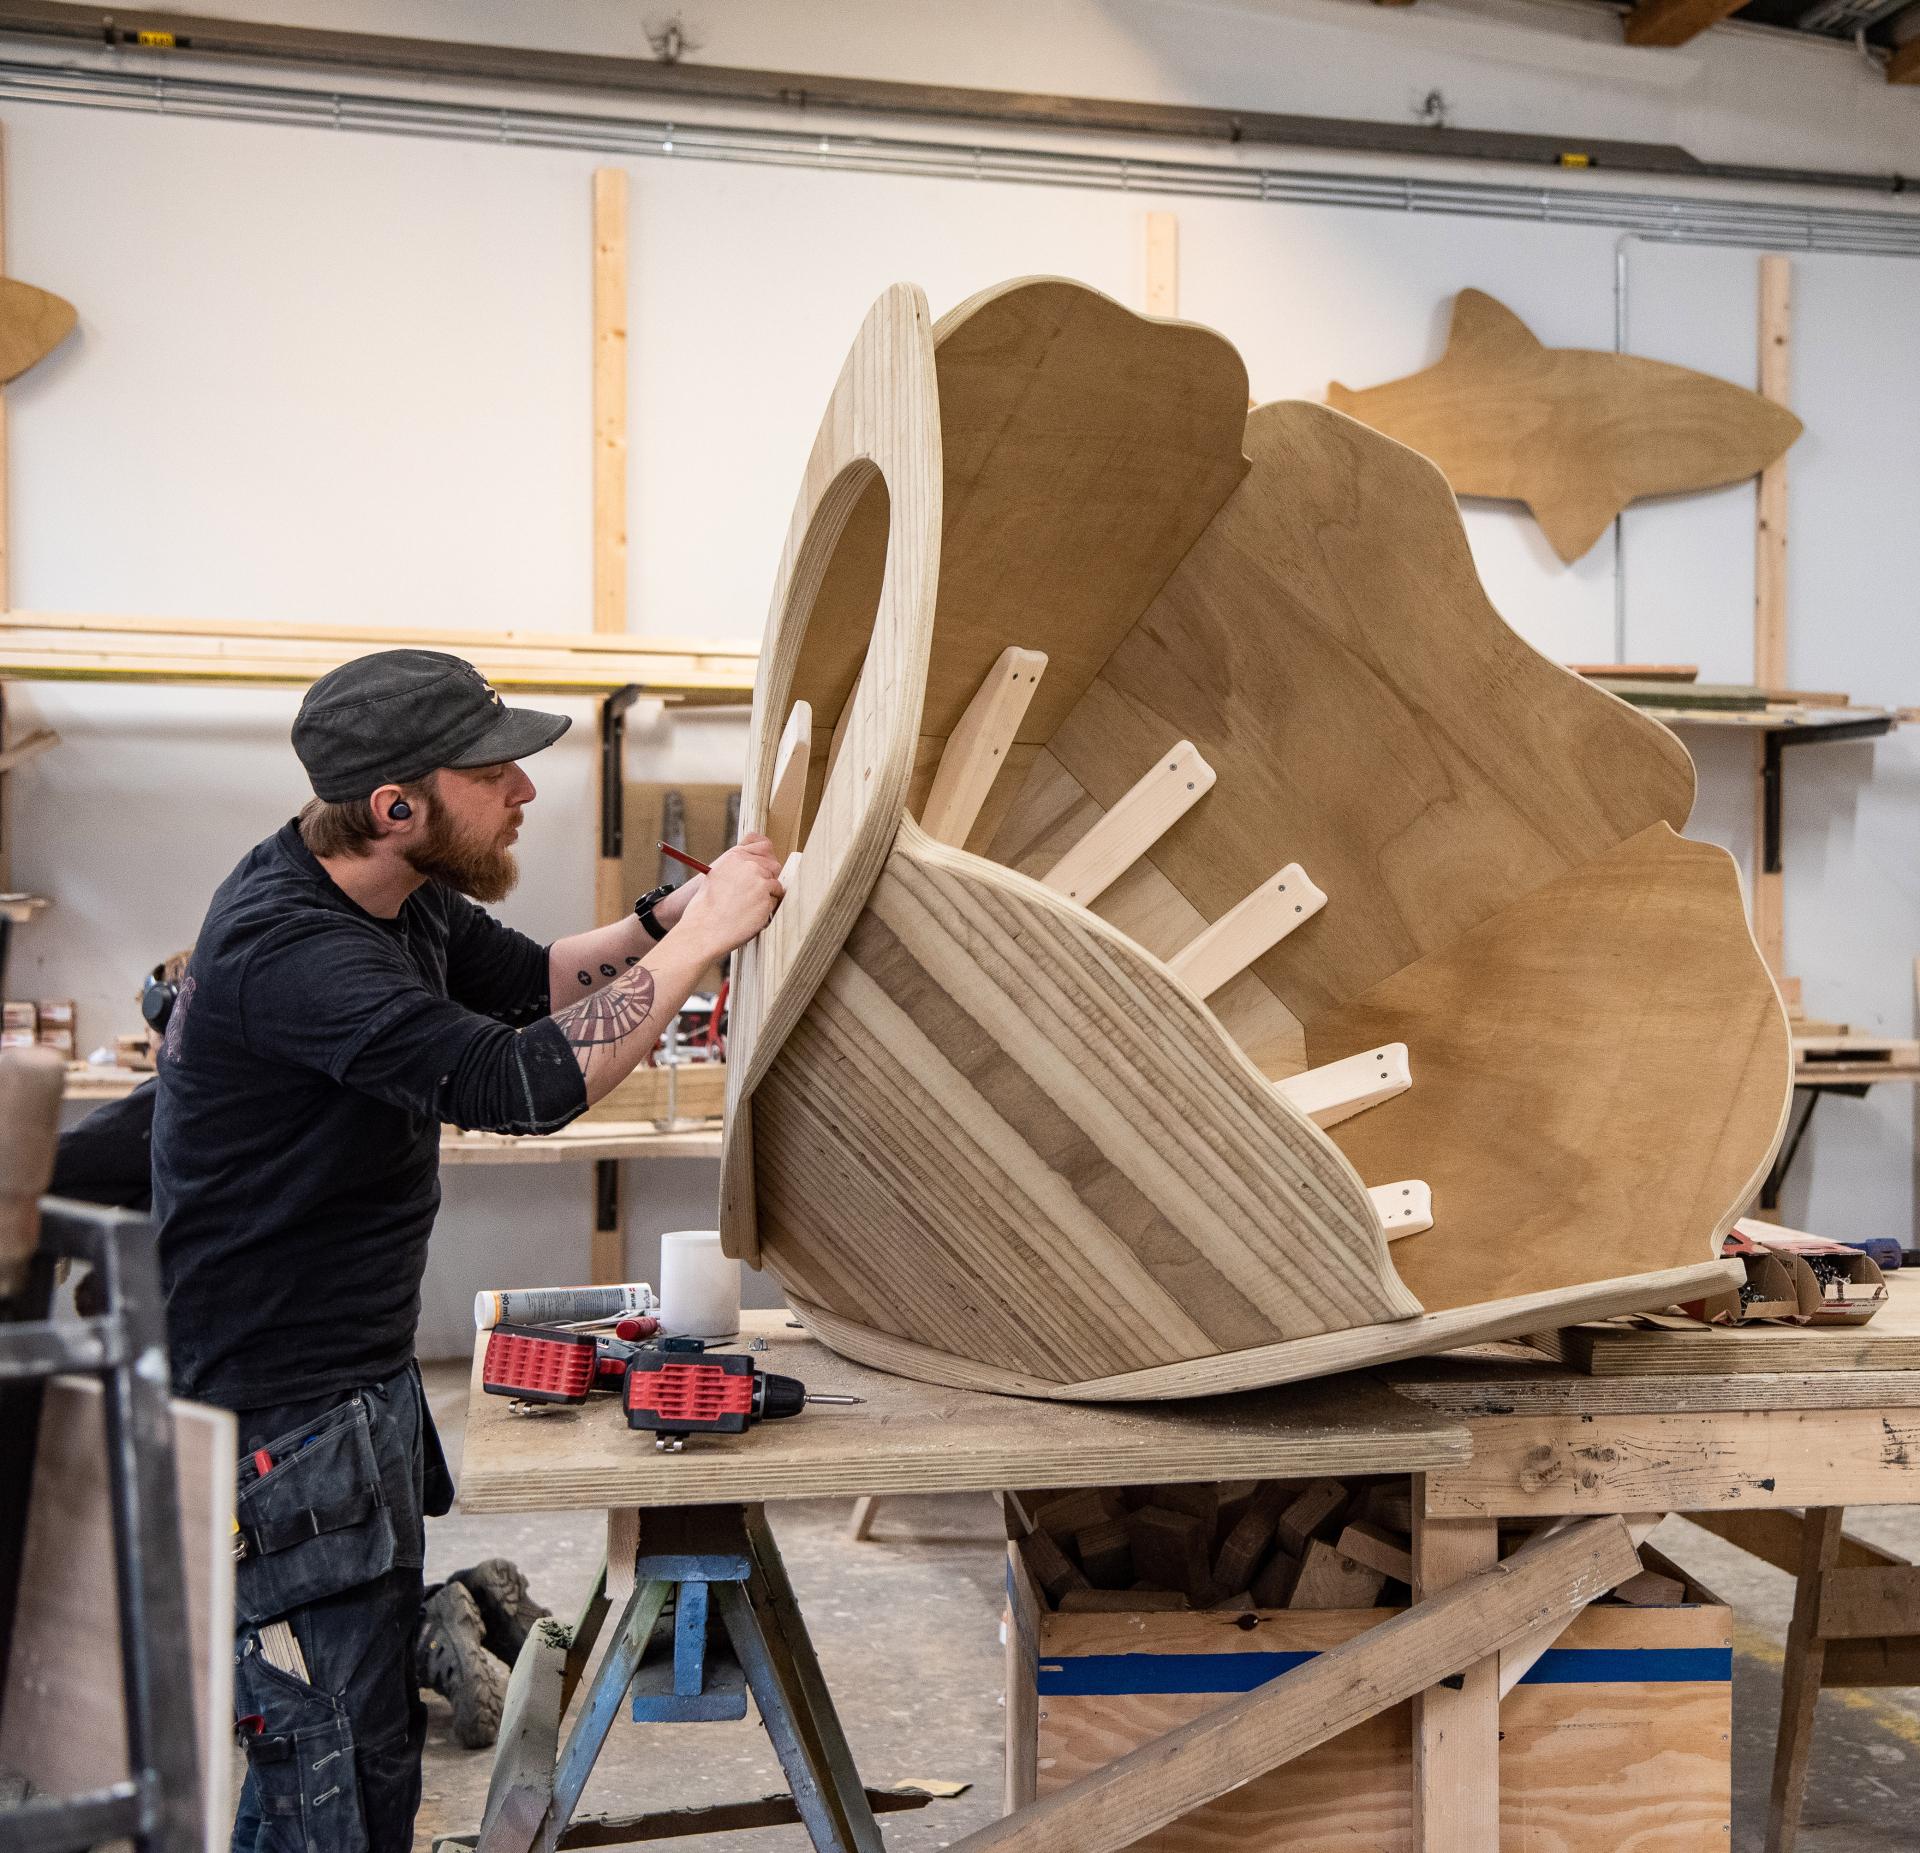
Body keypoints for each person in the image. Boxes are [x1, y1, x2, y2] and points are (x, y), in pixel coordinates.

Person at [151, 648, 783, 1852]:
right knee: (325, 1761)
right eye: (495, 773)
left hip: (354, 1383)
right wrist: (696, 949)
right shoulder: (291, 947)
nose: (526, 794)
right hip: (277, 1414)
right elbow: (522, 1080)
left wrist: (666, 917)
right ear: (397, 806)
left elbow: (536, 983)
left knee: (368, 1725)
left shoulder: (399, 897)